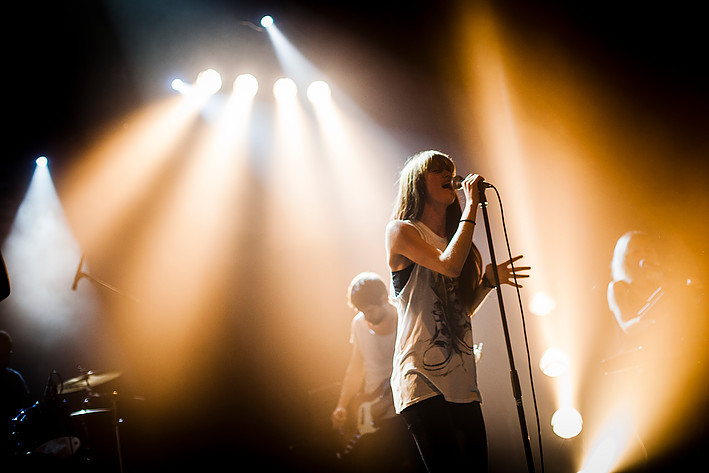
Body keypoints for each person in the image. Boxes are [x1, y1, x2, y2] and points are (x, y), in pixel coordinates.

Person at [385, 150, 529, 473]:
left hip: (462, 384)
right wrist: (474, 205)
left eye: (451, 169)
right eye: (438, 170)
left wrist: (487, 283)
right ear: (417, 184)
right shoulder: (401, 231)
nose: (449, 175)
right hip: (422, 380)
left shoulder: (456, 239)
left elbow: (458, 313)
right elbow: (449, 267)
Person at [331, 272, 425, 473]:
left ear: (384, 298)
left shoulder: (406, 317)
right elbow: (356, 367)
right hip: (376, 412)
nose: (367, 317)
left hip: (409, 406)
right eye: (362, 311)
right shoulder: (358, 324)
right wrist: (342, 405)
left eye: (370, 310)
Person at [1, 330, 31, 460]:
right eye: (7, 351)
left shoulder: (15, 377)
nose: (10, 354)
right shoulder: (14, 378)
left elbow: (27, 409)